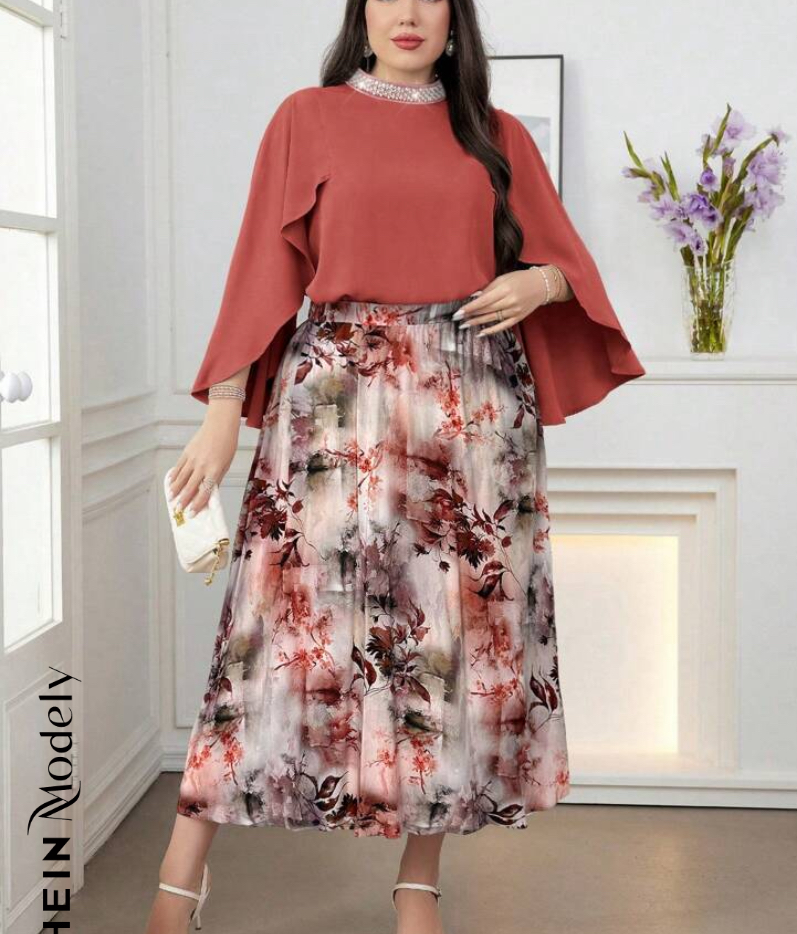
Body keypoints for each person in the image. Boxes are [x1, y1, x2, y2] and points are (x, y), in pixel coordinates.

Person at [147, 1, 645, 932]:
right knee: (270, 633)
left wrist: (540, 281)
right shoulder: (308, 117)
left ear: (455, 19)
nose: (409, 12)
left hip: (471, 415)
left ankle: (419, 887)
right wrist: (223, 410)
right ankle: (179, 878)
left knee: (447, 646)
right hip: (333, 408)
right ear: (362, 12)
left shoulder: (494, 134)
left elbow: (567, 263)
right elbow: (260, 266)